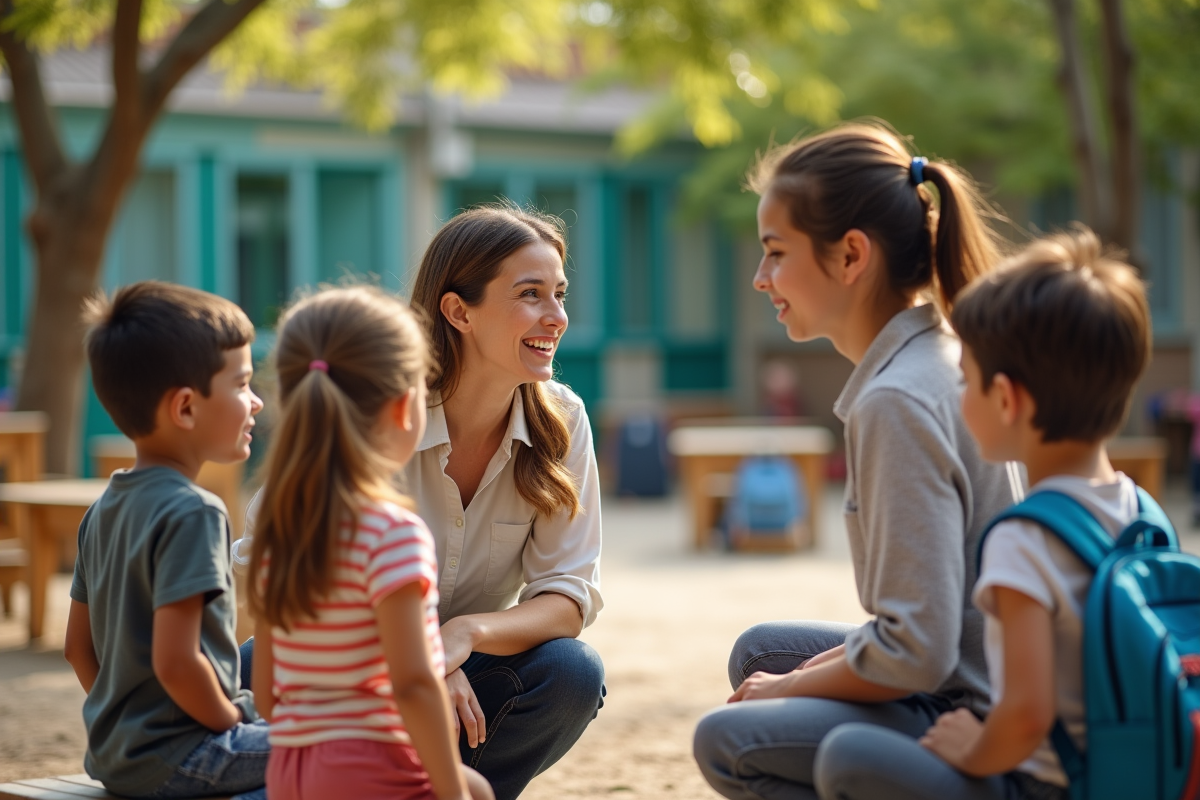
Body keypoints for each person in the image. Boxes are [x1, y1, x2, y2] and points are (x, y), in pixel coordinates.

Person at [693, 122, 1022, 800]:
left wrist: (788, 688)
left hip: (977, 713)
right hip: (982, 672)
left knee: (726, 739)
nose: (761, 279)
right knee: (758, 652)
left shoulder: (897, 399)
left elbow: (918, 651)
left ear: (850, 256)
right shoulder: (945, 352)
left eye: (776, 254)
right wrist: (788, 677)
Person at [236, 204, 605, 800]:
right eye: (531, 294)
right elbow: (273, 578)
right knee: (253, 662)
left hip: (458, 685)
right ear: (459, 311)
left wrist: (462, 636)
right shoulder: (373, 410)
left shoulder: (563, 419)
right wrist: (421, 658)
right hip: (349, 678)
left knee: (571, 674)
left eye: (560, 293)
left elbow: (567, 597)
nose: (557, 316)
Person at [813, 228, 1151, 800]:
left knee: (847, 757)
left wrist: (972, 746)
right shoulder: (1140, 510)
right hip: (1124, 771)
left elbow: (1022, 714)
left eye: (966, 379)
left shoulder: (1024, 540)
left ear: (1007, 399)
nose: (956, 393)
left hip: (1041, 782)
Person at [244, 287, 492, 800]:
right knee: (477, 791)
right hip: (373, 768)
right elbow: (416, 684)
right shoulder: (393, 534)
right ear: (406, 406)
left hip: (291, 771)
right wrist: (451, 792)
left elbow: (266, 693)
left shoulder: (279, 531)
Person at [64, 282, 268, 800]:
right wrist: (229, 721)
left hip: (115, 756)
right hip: (191, 753)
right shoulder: (194, 512)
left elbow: (76, 648)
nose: (257, 402)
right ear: (185, 408)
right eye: (242, 384)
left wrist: (129, 722)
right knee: (350, 746)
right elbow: (176, 662)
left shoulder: (102, 509)